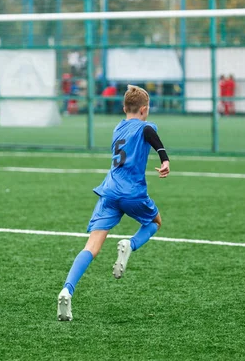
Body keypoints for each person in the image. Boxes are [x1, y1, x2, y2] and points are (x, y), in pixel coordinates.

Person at [57, 85, 170, 322]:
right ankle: (130, 243)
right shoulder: (146, 125)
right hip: (132, 192)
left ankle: (67, 289)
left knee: (92, 246)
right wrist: (164, 158)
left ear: (123, 108)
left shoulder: (118, 127)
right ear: (144, 109)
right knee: (155, 222)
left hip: (109, 191)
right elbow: (150, 133)